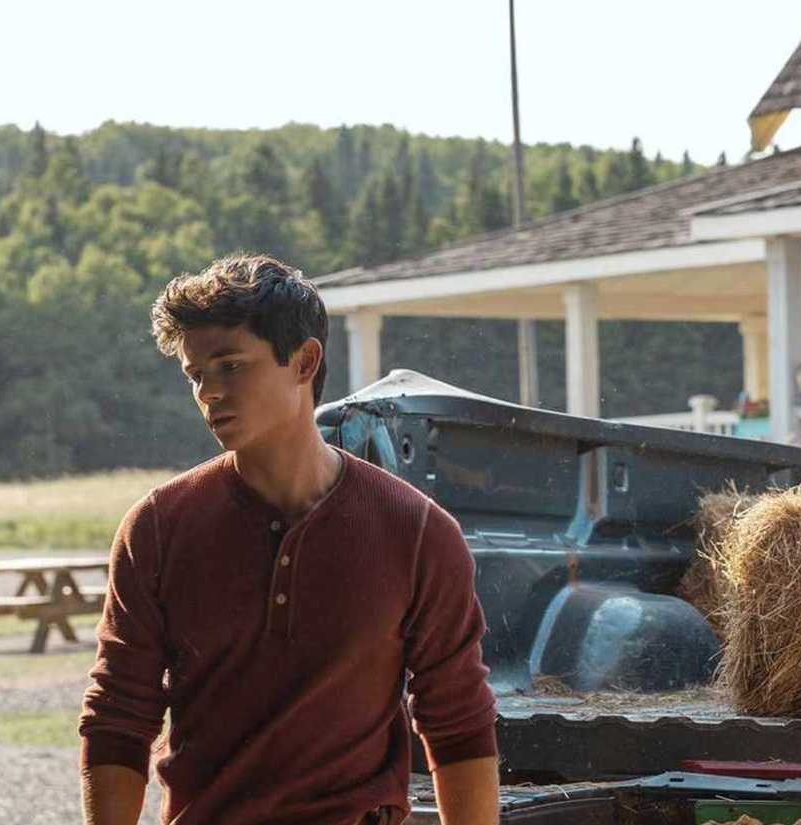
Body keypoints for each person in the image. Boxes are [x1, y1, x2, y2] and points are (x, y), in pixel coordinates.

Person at [78, 254, 500, 824]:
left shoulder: (418, 533)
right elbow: (118, 718)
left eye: (230, 366)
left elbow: (459, 726)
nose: (209, 392)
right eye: (196, 374)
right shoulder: (156, 528)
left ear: (304, 362)